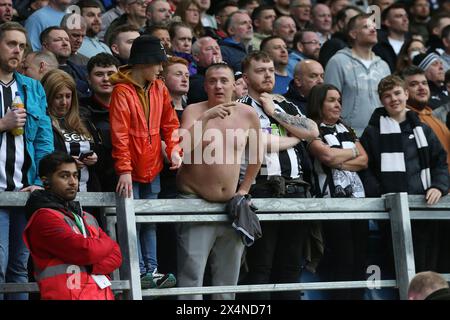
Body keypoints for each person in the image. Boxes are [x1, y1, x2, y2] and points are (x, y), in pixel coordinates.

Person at [176, 62, 262, 300]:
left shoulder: (247, 114)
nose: (218, 85)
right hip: (195, 201)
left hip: (230, 206)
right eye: (212, 81)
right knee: (191, 275)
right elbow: (181, 148)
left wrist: (244, 189)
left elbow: (257, 154)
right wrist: (206, 117)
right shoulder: (194, 111)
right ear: (204, 86)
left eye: (224, 80)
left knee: (227, 280)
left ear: (235, 85)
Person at [238, 51, 320, 300]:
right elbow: (259, 142)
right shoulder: (240, 107)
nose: (267, 75)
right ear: (245, 77)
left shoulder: (285, 104)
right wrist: (295, 137)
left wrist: (274, 112)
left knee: (291, 266)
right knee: (261, 266)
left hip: (296, 189)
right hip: (261, 189)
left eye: (271, 70)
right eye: (260, 70)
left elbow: (313, 130)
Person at [109, 35, 182, 289]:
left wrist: (173, 150)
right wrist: (124, 170)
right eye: (158, 63)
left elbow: (170, 124)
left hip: (154, 167)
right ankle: (138, 271)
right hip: (131, 169)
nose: (161, 69)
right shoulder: (121, 91)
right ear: (143, 62)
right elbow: (119, 135)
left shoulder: (159, 88)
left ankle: (152, 270)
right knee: (133, 221)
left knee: (149, 221)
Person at [360, 75, 449, 277]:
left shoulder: (424, 130)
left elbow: (440, 163)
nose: (394, 99)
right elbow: (366, 170)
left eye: (397, 93)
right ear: (381, 101)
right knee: (400, 274)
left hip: (426, 211)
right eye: (387, 96)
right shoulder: (372, 132)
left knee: (428, 273)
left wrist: (438, 186)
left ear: (406, 94)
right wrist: (381, 194)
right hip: (392, 214)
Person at [0, 22, 54, 300]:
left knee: (20, 269)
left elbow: (45, 141)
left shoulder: (32, 88)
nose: (17, 51)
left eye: (22, 46)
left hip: (25, 192)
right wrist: (2, 123)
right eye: (11, 44)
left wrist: (39, 182)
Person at [23, 151, 122, 300]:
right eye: (64, 176)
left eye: (75, 175)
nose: (72, 182)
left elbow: (117, 255)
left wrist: (90, 266)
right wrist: (105, 247)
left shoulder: (87, 217)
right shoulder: (44, 218)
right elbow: (86, 251)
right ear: (45, 181)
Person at [307, 83, 368, 300]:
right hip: (332, 203)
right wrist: (350, 152)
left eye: (339, 100)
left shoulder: (346, 127)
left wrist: (340, 161)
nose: (338, 104)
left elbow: (364, 160)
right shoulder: (312, 129)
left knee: (360, 260)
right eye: (331, 100)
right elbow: (327, 157)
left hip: (359, 203)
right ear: (318, 103)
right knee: (343, 260)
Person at [325, 13, 391, 136]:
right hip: (349, 134)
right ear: (353, 34)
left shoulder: (383, 65)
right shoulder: (338, 61)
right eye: (366, 27)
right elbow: (328, 101)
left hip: (381, 133)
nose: (373, 29)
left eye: (374, 27)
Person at [41, 69, 101, 193]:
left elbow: (103, 157)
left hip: (88, 191)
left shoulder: (85, 120)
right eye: (58, 97)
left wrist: (96, 158)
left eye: (68, 96)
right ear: (47, 96)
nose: (64, 102)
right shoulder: (42, 123)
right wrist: (66, 163)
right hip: (58, 194)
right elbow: (42, 160)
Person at [80, 53, 120, 193]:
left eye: (111, 73)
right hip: (93, 183)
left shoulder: (132, 107)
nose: (106, 79)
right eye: (99, 74)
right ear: (88, 79)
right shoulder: (79, 110)